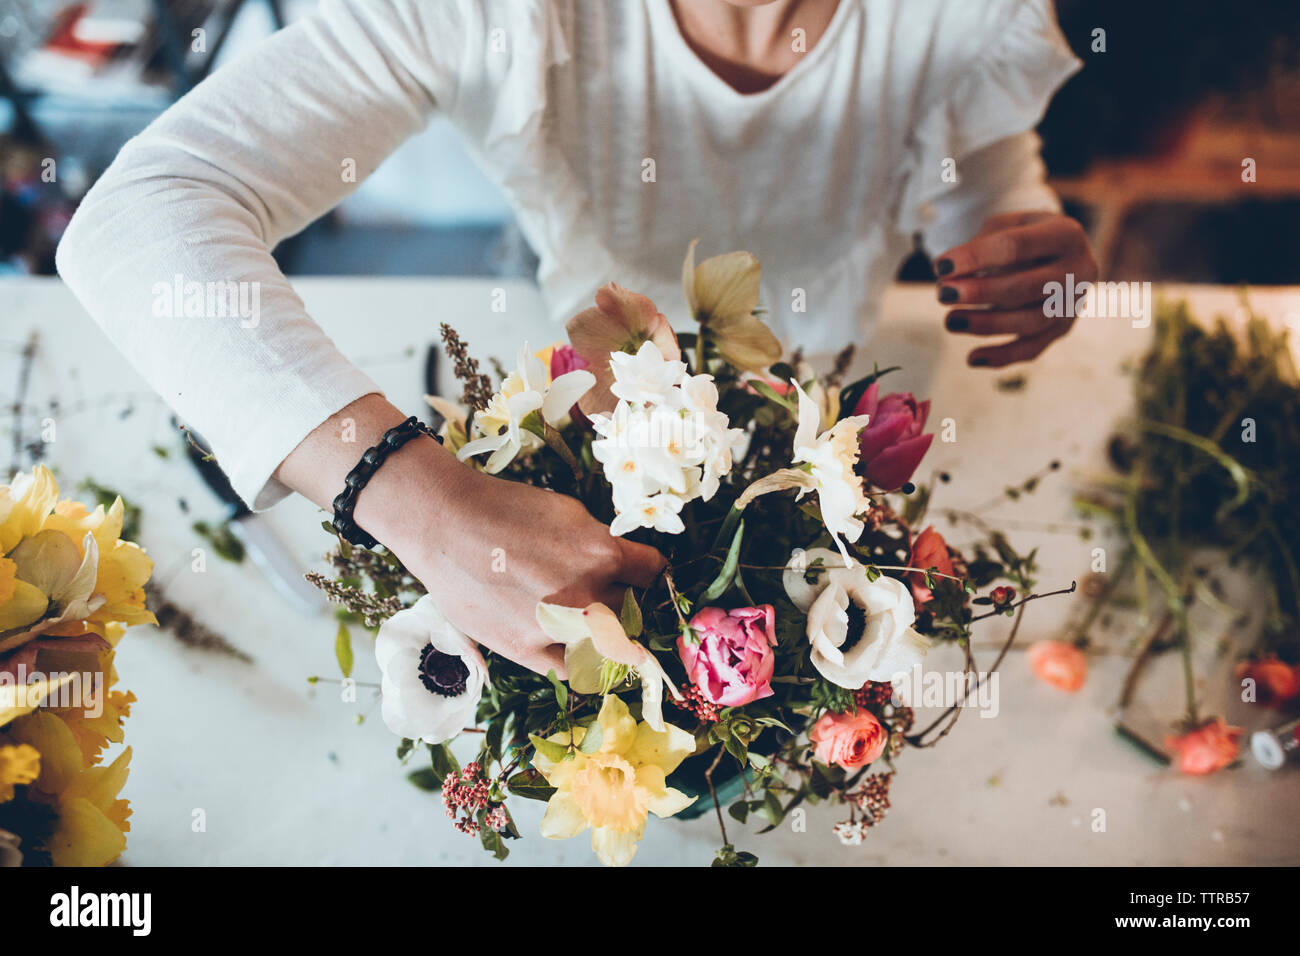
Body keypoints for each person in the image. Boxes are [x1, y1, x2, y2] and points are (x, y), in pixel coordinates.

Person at [56, 0, 1097, 676]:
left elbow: (979, 176)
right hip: (573, 446)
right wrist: (417, 494)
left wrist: (1019, 256)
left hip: (822, 430)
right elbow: (141, 220)